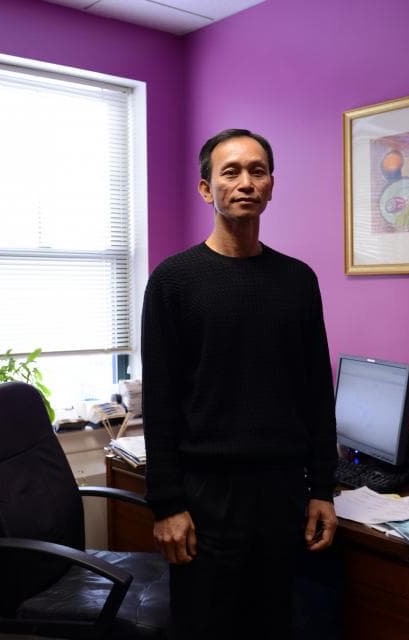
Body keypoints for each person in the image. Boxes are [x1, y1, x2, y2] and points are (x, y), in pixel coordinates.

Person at [141, 128, 338, 639]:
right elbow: (160, 403)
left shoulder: (298, 280)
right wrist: (166, 505)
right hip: (205, 497)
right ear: (207, 189)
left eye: (257, 171)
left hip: (281, 495)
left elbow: (316, 389)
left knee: (272, 623)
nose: (246, 182)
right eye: (231, 172)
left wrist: (323, 490)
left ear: (272, 185)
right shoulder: (174, 280)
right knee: (205, 626)